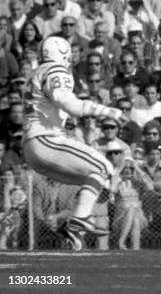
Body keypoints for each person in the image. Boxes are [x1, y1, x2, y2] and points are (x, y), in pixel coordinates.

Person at [22, 36, 127, 251]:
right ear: (61, 54)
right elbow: (69, 103)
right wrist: (107, 111)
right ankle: (79, 219)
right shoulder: (55, 70)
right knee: (104, 167)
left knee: (96, 177)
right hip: (45, 140)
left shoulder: (35, 72)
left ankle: (73, 229)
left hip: (31, 148)